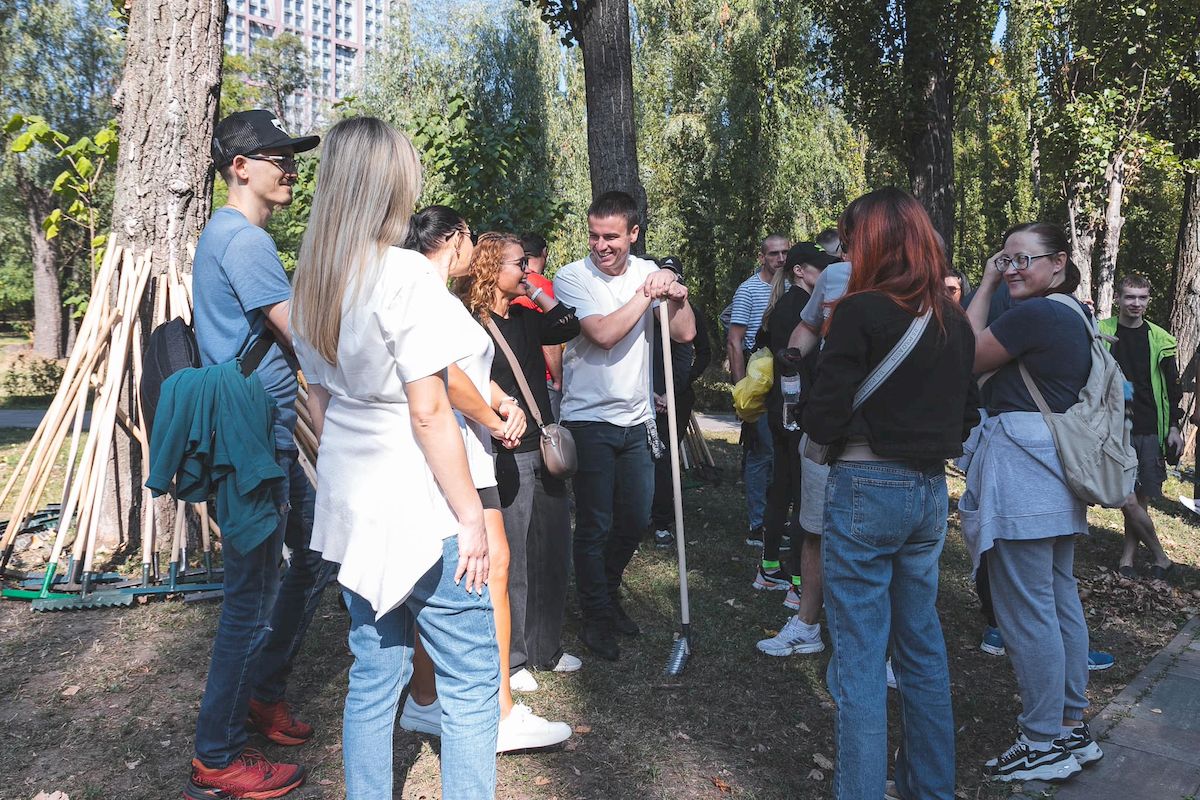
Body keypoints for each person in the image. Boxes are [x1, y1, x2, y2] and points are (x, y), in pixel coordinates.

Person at [290, 117, 499, 798]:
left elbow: (319, 402)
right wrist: (470, 515)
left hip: (353, 500)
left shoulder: (316, 276)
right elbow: (430, 407)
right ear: (391, 183)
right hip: (419, 501)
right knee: (470, 683)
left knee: (374, 675)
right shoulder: (402, 272)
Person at [798, 189, 978, 799]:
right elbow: (967, 416)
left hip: (865, 486)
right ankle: (933, 789)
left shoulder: (860, 311)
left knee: (860, 659)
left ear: (872, 243)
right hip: (929, 493)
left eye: (851, 242)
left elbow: (822, 415)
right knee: (921, 648)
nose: (846, 253)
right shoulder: (954, 321)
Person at [185, 109, 327, 800]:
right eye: (276, 155)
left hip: (263, 436)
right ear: (239, 166)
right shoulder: (241, 240)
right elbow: (302, 336)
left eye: (290, 155)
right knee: (251, 598)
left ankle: (263, 692)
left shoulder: (234, 235)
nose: (289, 166)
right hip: (253, 442)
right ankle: (216, 756)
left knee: (315, 551)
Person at [396, 210, 571, 754]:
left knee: (456, 575)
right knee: (493, 570)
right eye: (471, 236)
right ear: (455, 241)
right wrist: (497, 418)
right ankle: (498, 711)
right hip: (461, 454)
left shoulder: (432, 297)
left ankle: (425, 701)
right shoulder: (433, 299)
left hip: (465, 448)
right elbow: (447, 379)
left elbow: (467, 375)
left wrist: (502, 401)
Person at [961, 221, 1104, 783]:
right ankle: (1069, 726)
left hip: (1025, 468)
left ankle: (1042, 740)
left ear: (1058, 263)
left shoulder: (1036, 314)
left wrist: (985, 284)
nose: (1012, 269)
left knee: (1026, 608)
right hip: (1056, 468)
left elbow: (967, 354)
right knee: (1057, 598)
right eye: (1006, 259)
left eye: (1024, 260)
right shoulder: (1074, 314)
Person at [552, 191, 696, 661]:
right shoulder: (572, 278)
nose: (601, 245)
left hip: (636, 419)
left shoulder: (647, 271)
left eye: (612, 236)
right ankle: (595, 616)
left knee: (634, 518)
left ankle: (607, 592)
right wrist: (648, 291)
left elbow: (686, 334)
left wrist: (677, 292)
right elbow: (604, 334)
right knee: (595, 522)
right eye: (594, 235)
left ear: (633, 234)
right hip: (588, 417)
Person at [453, 232, 584, 682]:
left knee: (551, 551)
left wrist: (532, 290)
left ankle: (547, 648)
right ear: (491, 268)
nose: (527, 270)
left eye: (527, 263)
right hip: (505, 450)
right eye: (518, 264)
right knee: (515, 559)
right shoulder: (471, 323)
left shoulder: (526, 318)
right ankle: (515, 657)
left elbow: (568, 324)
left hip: (544, 450)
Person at [755, 238, 855, 657]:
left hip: (850, 430)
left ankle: (886, 648)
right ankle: (801, 605)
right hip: (812, 424)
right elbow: (798, 342)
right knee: (805, 512)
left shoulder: (910, 283)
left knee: (793, 494)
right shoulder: (820, 290)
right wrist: (794, 362)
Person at [751, 242, 836, 602]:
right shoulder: (799, 309)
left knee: (783, 487)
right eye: (821, 268)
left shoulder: (787, 304)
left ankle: (770, 568)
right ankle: (800, 583)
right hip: (796, 411)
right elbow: (799, 363)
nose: (828, 275)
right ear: (799, 271)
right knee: (804, 496)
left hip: (785, 410)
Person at [1100, 274, 1180, 580]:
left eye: (1142, 298)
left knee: (1140, 495)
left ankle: (1128, 559)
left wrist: (1174, 426)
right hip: (1112, 423)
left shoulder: (1161, 339)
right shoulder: (1101, 331)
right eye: (1130, 297)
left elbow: (1173, 389)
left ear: (1148, 300)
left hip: (1147, 423)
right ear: (1118, 299)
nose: (1136, 303)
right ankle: (1161, 556)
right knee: (1125, 494)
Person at [727, 234, 790, 546]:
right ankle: (757, 523)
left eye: (785, 253)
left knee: (781, 452)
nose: (780, 259)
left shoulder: (794, 287)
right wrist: (742, 389)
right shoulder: (749, 290)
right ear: (762, 256)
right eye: (774, 254)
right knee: (760, 451)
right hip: (758, 376)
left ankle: (777, 517)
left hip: (786, 378)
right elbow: (735, 340)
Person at [650, 255, 711, 548]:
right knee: (644, 457)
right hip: (647, 396)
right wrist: (650, 391)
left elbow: (695, 354)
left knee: (664, 456)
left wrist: (671, 393)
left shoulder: (687, 312)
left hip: (676, 397)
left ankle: (662, 521)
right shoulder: (644, 313)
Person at [516, 232, 566, 418]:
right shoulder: (542, 287)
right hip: (542, 377)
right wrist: (557, 378)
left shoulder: (509, 286)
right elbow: (550, 338)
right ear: (544, 252)